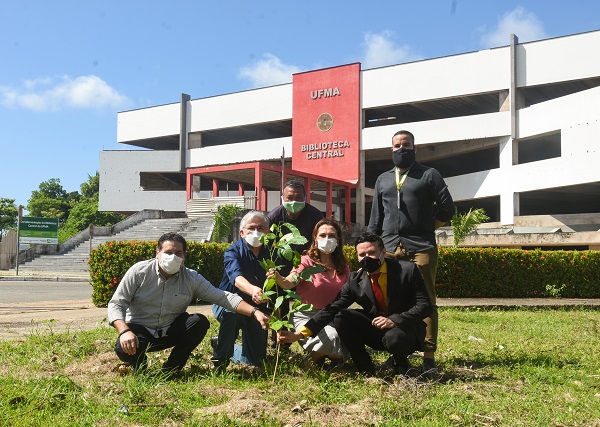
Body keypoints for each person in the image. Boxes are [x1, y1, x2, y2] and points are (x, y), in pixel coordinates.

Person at [107, 232, 269, 375]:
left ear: (184, 256)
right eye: (168, 252)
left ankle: (171, 369)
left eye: (178, 253)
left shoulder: (191, 278)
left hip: (171, 330)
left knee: (198, 322)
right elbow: (116, 304)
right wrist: (124, 331)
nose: (173, 257)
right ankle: (140, 368)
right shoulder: (138, 272)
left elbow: (222, 297)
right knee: (123, 348)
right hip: (140, 330)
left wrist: (255, 312)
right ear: (157, 253)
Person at [278, 233, 432, 376]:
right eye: (362, 255)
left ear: (383, 252)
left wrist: (395, 320)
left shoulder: (407, 270)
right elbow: (331, 309)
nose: (367, 258)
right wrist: (299, 334)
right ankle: (365, 368)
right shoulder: (355, 280)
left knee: (395, 337)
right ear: (357, 257)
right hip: (377, 328)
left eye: (372, 253)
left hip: (404, 329)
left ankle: (401, 366)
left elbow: (425, 305)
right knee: (341, 317)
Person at [367, 129, 455, 373]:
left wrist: (429, 228)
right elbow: (376, 216)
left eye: (406, 145)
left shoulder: (429, 174)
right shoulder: (383, 179)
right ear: (391, 149)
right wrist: (373, 244)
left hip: (421, 246)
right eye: (396, 145)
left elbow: (448, 209)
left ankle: (428, 355)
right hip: (390, 246)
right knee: (392, 301)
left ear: (414, 148)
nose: (401, 149)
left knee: (426, 300)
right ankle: (397, 352)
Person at [269, 218, 350, 367]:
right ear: (315, 238)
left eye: (331, 235)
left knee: (349, 340)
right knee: (333, 339)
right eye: (322, 235)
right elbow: (289, 283)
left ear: (338, 239)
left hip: (333, 317)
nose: (327, 239)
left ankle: (321, 356)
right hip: (307, 317)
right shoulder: (305, 262)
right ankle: (315, 359)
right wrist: (278, 278)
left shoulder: (343, 266)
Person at [211, 211, 271, 371]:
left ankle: (220, 343)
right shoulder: (233, 251)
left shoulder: (273, 253)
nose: (256, 232)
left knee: (256, 361)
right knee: (232, 315)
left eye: (261, 227)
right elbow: (236, 278)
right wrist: (253, 290)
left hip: (257, 308)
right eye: (251, 228)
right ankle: (220, 361)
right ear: (242, 232)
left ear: (268, 231)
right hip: (228, 303)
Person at [267, 179, 324, 275]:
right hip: (279, 266)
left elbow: (320, 241)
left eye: (298, 197)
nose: (294, 201)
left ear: (305, 198)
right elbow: (267, 246)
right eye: (289, 197)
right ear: (282, 198)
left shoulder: (315, 216)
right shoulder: (274, 217)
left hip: (308, 265)